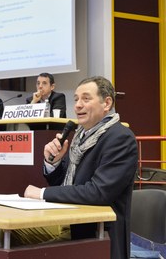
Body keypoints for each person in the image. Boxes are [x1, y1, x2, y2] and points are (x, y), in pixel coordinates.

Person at [19, 76, 137, 259]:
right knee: (14, 233)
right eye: (75, 99)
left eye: (86, 99)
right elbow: (68, 183)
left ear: (107, 103)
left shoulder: (120, 138)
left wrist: (42, 194)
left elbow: (98, 192)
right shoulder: (80, 136)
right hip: (70, 220)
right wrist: (54, 163)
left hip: (97, 232)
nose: (78, 105)